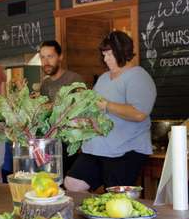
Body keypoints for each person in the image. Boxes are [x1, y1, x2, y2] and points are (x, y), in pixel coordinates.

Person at [64, 31, 157, 192]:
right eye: (104, 54)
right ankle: (92, 212)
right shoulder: (104, 78)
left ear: (123, 52)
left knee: (115, 194)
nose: (105, 59)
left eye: (109, 54)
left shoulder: (139, 77)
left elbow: (139, 113)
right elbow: (94, 106)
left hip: (125, 150)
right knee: (73, 183)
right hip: (96, 148)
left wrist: (107, 105)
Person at [39, 40, 84, 174]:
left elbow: (81, 109)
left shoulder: (74, 80)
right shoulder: (45, 85)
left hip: (70, 143)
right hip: (50, 143)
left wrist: (51, 107)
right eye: (43, 57)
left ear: (60, 57)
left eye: (50, 56)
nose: (46, 61)